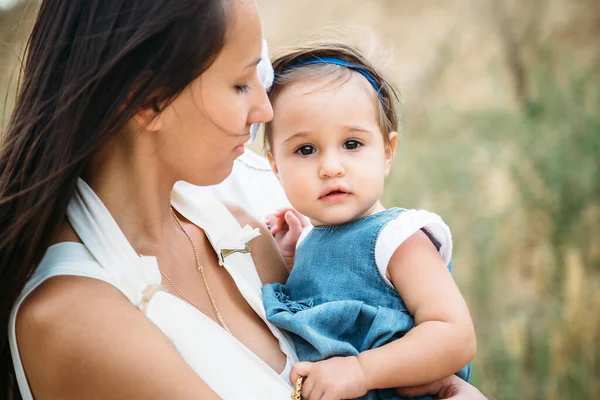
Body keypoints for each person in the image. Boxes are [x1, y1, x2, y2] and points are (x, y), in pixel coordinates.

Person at [0, 0, 486, 398]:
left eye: (262, 75)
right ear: (148, 100)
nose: (265, 108)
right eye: (240, 84)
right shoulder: (79, 319)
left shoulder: (245, 216)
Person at [261, 39, 476, 400]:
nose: (331, 168)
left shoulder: (397, 239)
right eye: (306, 149)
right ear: (275, 166)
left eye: (352, 144)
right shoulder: (310, 242)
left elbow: (455, 335)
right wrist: (291, 263)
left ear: (388, 152)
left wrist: (362, 370)